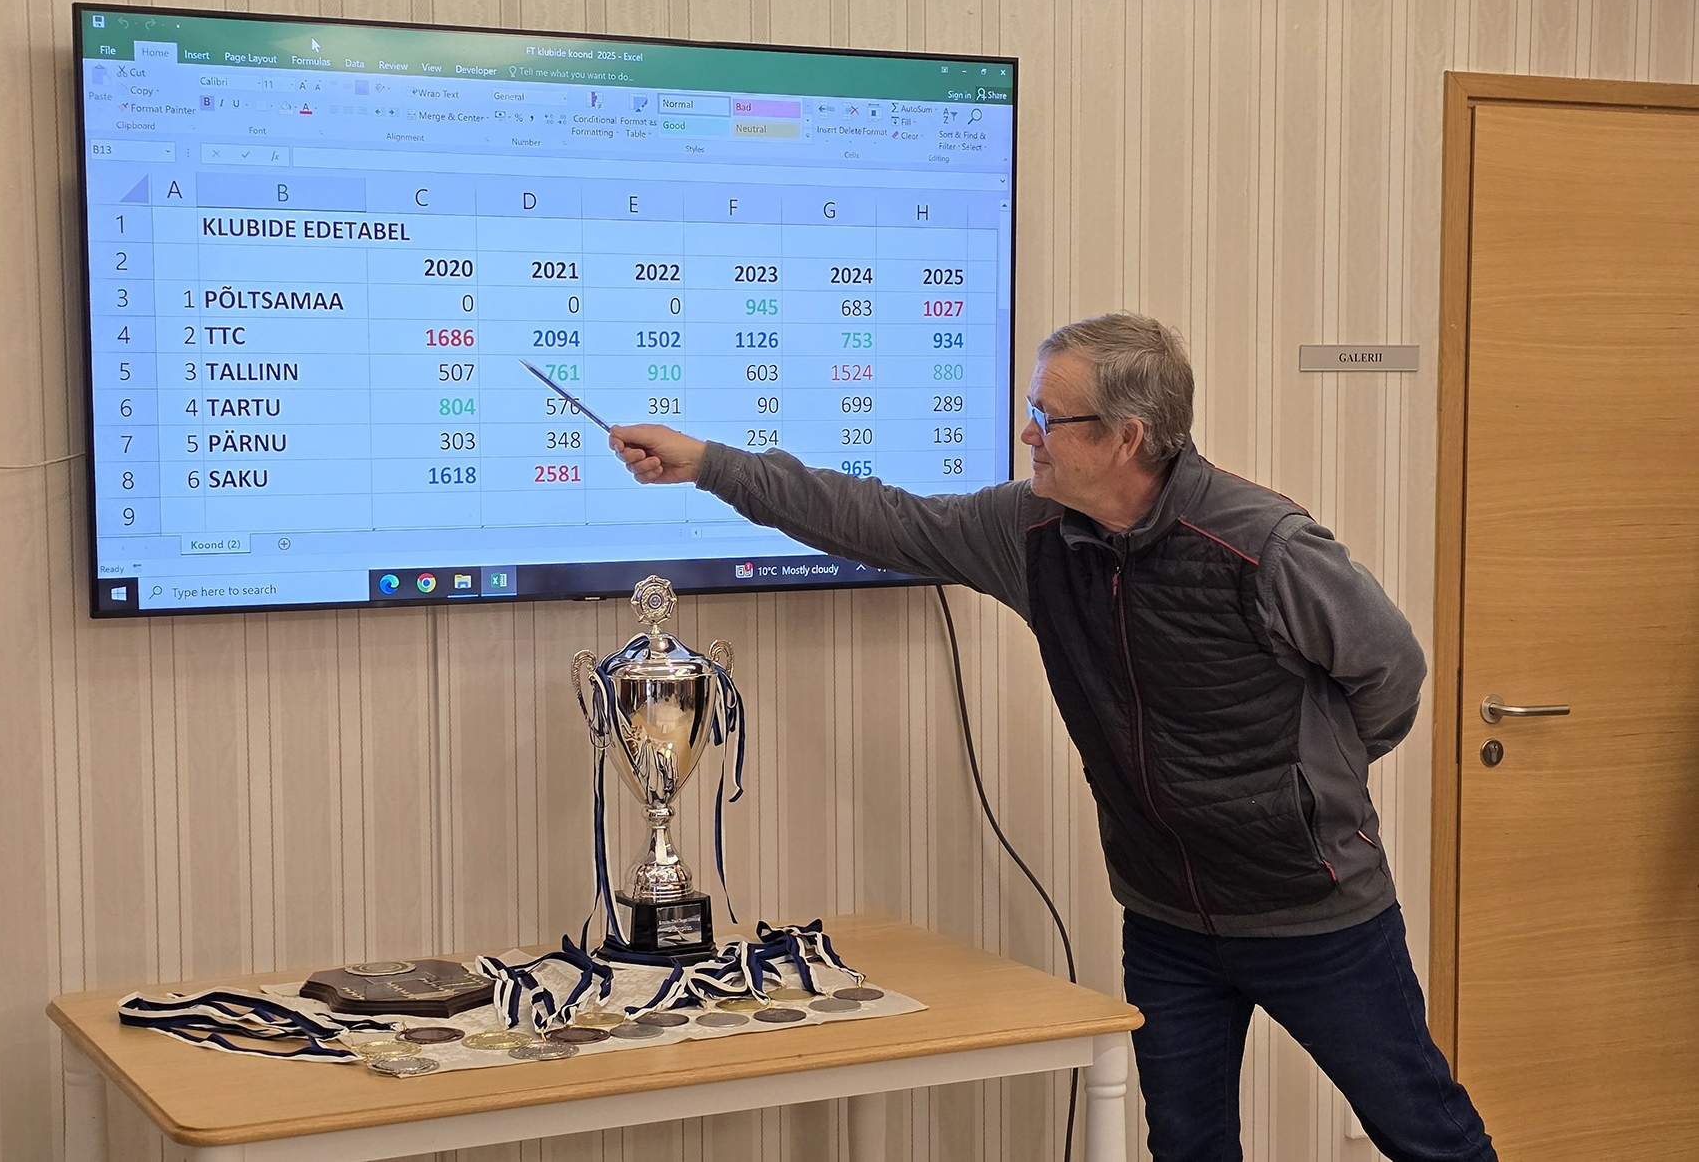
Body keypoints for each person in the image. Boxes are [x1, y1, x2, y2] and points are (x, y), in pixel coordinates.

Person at [608, 312, 1494, 1162]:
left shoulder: (1264, 546)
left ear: (1125, 437)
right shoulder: (1030, 533)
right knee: (1188, 1148)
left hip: (1314, 910)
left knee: (1425, 1130)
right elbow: (878, 517)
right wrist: (709, 463)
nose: (1028, 433)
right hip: (1166, 919)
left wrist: (1304, 790)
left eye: (1048, 416)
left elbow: (1391, 675)